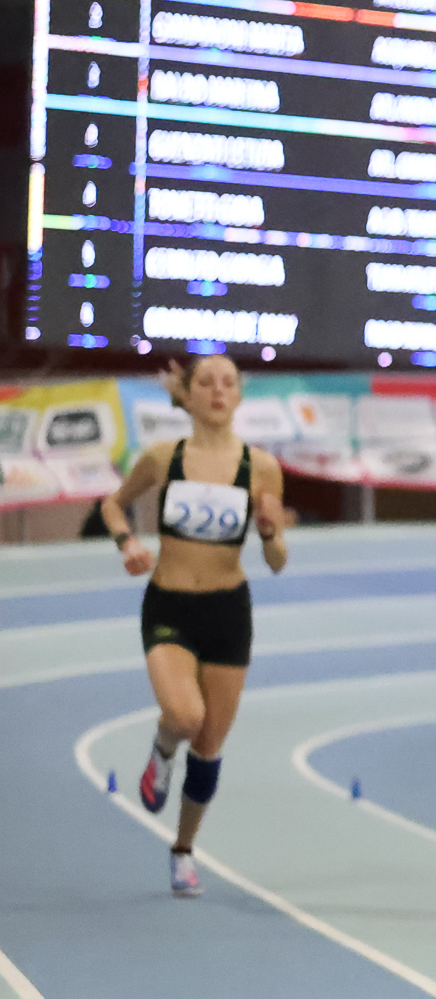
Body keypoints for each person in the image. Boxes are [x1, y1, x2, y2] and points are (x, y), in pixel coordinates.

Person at [103, 354, 290, 896]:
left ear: (239, 395)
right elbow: (114, 505)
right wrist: (128, 543)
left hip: (228, 612)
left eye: (228, 383)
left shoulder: (262, 468)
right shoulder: (164, 457)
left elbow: (277, 560)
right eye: (206, 382)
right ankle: (163, 747)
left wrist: (271, 533)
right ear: (187, 394)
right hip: (170, 606)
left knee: (208, 747)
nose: (218, 391)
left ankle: (183, 850)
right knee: (185, 716)